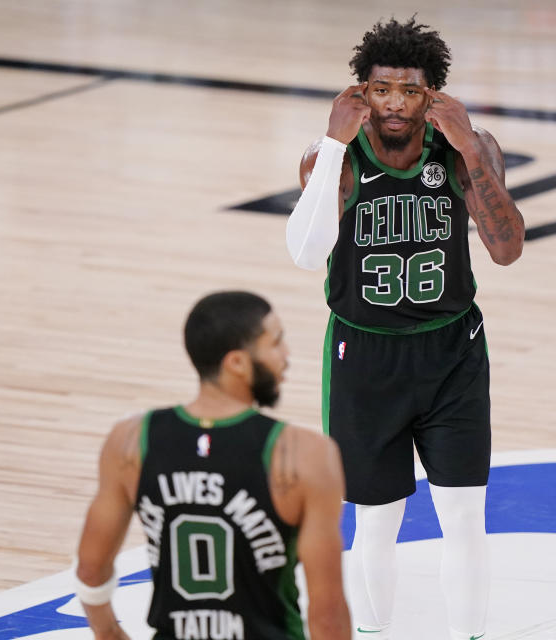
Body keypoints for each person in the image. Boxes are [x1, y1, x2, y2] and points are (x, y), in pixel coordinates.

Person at [285, 16, 525, 640]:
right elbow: (307, 255)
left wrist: (470, 148)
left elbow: (506, 250)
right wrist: (337, 145)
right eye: (381, 89)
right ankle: (374, 632)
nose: (394, 103)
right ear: (360, 92)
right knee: (376, 523)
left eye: (409, 91)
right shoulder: (330, 158)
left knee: (465, 518)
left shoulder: (468, 146)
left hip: (452, 353)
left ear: (433, 96)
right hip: (364, 359)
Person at [74, 291, 351, 640]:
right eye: (276, 343)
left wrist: (108, 634)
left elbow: (90, 568)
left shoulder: (131, 441)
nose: (287, 356)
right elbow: (327, 614)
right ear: (236, 362)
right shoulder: (303, 454)